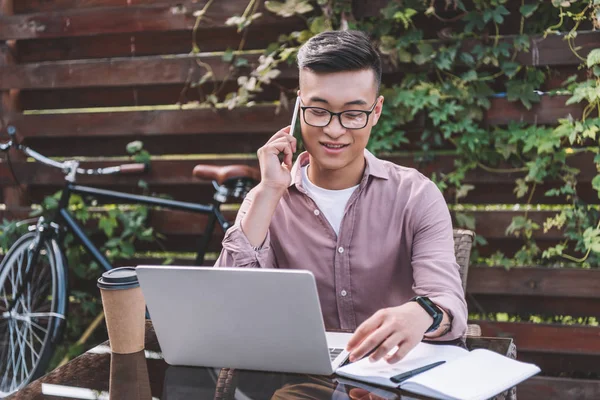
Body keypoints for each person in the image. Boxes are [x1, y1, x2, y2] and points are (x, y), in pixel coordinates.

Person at [214, 30, 467, 364]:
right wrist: (268, 192)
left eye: (353, 113)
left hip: (397, 376)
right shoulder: (267, 200)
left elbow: (446, 303)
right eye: (318, 111)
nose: (334, 130)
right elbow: (227, 309)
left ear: (376, 112)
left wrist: (419, 314)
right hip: (304, 379)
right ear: (299, 106)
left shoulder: (415, 195)